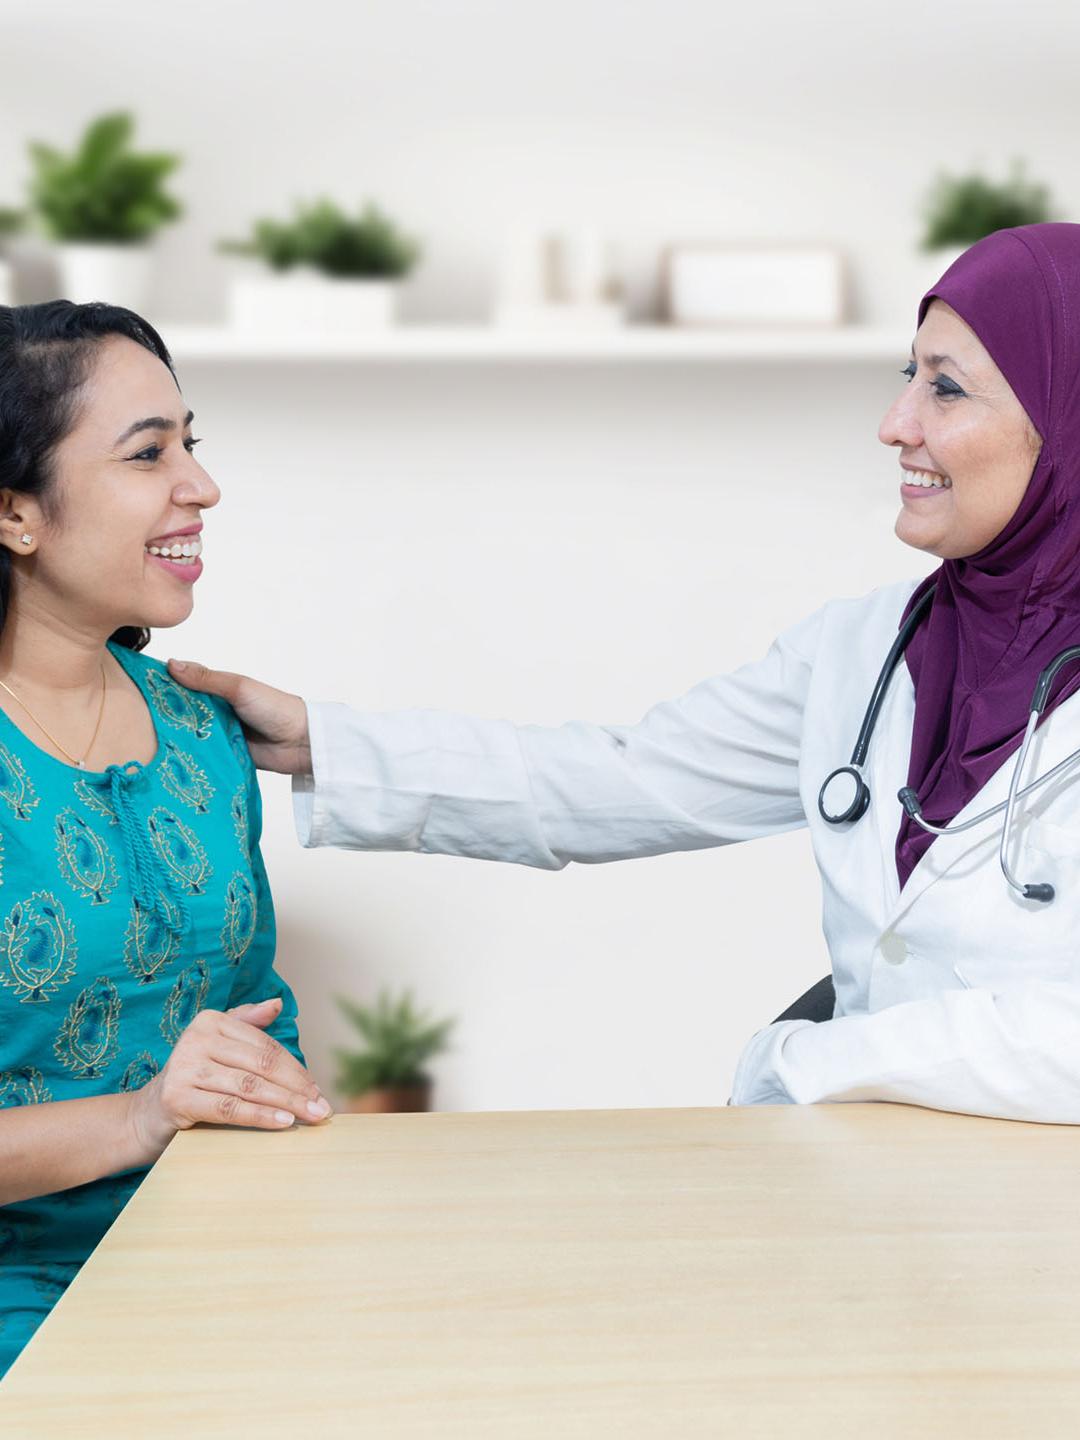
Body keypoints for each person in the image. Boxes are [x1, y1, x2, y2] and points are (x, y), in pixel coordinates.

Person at [171, 221, 1080, 1128]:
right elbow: (619, 776)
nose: (896, 425)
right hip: (870, 1196)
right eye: (907, 379)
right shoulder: (866, 650)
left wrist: (813, 1057)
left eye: (947, 389)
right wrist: (322, 744)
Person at [0, 301, 332, 1382]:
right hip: (28, 1303)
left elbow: (251, 1016)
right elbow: (165, 1102)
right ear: (15, 511)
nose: (200, 485)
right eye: (150, 453)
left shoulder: (202, 729)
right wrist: (142, 1118)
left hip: (240, 1262)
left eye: (193, 443)